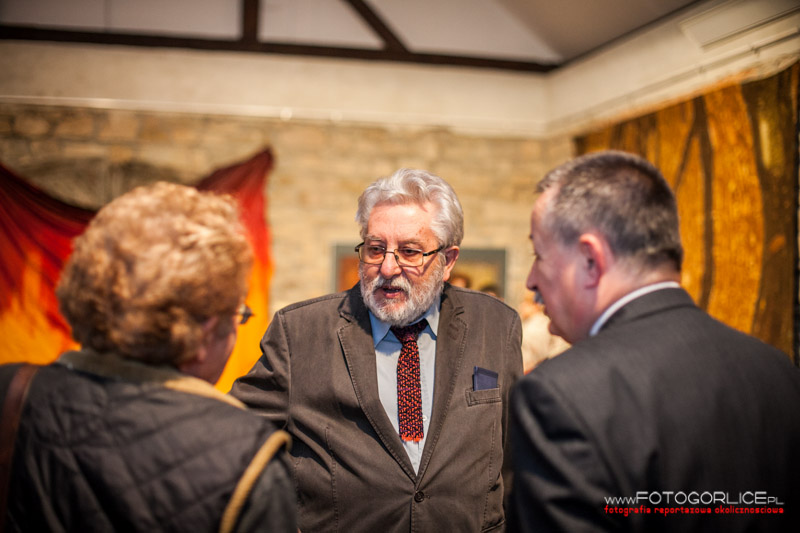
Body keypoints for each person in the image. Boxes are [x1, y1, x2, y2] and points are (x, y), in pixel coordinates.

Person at [508, 150, 800, 532]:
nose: (531, 280)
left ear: (591, 260)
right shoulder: (779, 370)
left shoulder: (560, 395)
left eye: (539, 254)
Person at [231, 168, 523, 531]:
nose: (387, 267)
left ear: (448, 261)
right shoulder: (300, 333)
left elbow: (513, 458)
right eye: (375, 249)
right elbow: (232, 442)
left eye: (409, 252)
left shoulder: (496, 325)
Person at [0, 182, 296, 532]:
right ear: (205, 330)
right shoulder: (248, 458)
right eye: (238, 315)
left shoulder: (10, 391)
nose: (238, 327)